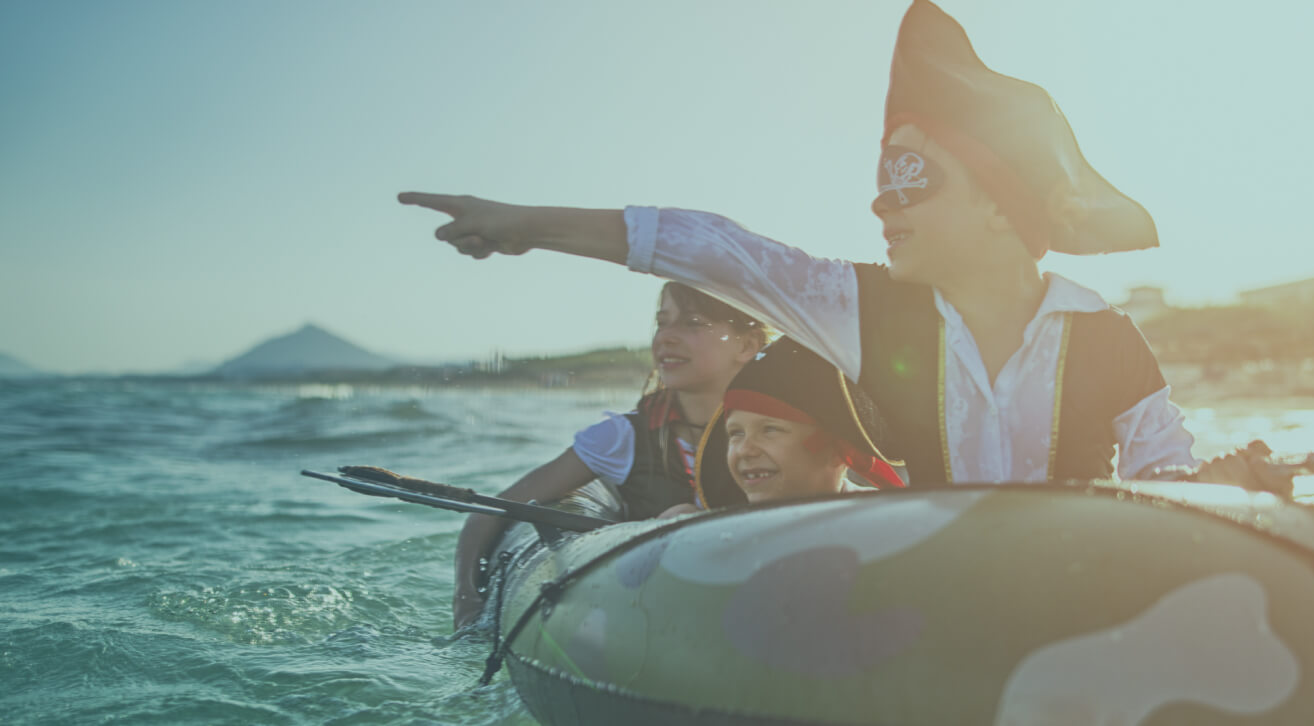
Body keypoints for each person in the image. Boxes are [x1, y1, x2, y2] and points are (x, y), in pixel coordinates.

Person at [399, 1, 1267, 488]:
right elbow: (716, 249)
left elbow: (1163, 484)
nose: (880, 203)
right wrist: (527, 224)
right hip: (927, 596)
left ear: (1005, 210)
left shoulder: (1109, 339)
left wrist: (1228, 491)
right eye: (881, 177)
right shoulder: (863, 308)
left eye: (911, 178)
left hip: (1067, 594)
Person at [451, 282, 766, 628]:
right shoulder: (621, 438)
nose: (667, 337)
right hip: (650, 611)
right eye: (662, 323)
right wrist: (467, 599)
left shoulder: (781, 436)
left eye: (692, 323)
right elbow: (494, 510)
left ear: (747, 344)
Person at [677, 337, 905, 515]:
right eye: (736, 433)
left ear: (835, 451)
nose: (745, 450)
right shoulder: (723, 537)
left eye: (769, 430)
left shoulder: (882, 524)